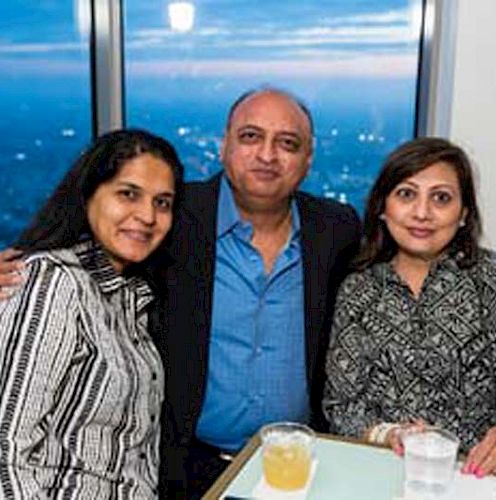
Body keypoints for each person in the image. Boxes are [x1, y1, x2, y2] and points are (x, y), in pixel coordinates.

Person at [0, 88, 361, 498]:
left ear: (308, 159)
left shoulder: (336, 228)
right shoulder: (176, 218)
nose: (267, 154)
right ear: (223, 146)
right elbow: (86, 242)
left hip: (295, 467)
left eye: (287, 143)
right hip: (185, 470)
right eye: (250, 136)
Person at [0, 129, 184, 498]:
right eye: (128, 194)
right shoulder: (55, 283)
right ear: (88, 195)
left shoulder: (131, 297)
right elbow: (5, 454)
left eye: (162, 202)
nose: (147, 215)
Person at [322, 137, 496, 479]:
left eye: (441, 198)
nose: (422, 213)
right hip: (382, 473)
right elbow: (340, 407)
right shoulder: (359, 290)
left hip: (477, 479)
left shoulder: (492, 280)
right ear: (382, 208)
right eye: (406, 194)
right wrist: (389, 434)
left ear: (463, 213)